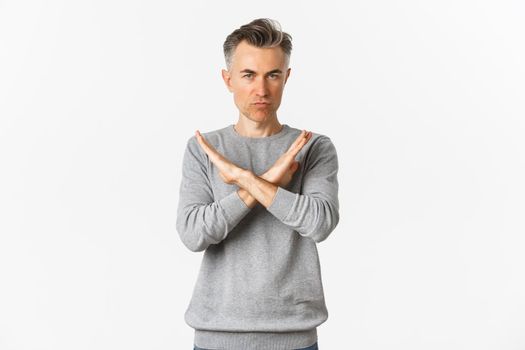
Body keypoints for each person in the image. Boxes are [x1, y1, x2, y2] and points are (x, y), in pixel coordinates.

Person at [176, 18, 339, 350]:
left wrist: (246, 179)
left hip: (294, 338)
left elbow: (319, 223)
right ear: (228, 79)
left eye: (273, 75)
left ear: (287, 77)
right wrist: (265, 185)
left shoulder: (313, 148)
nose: (261, 90)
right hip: (216, 337)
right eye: (248, 75)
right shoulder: (204, 149)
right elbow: (193, 234)